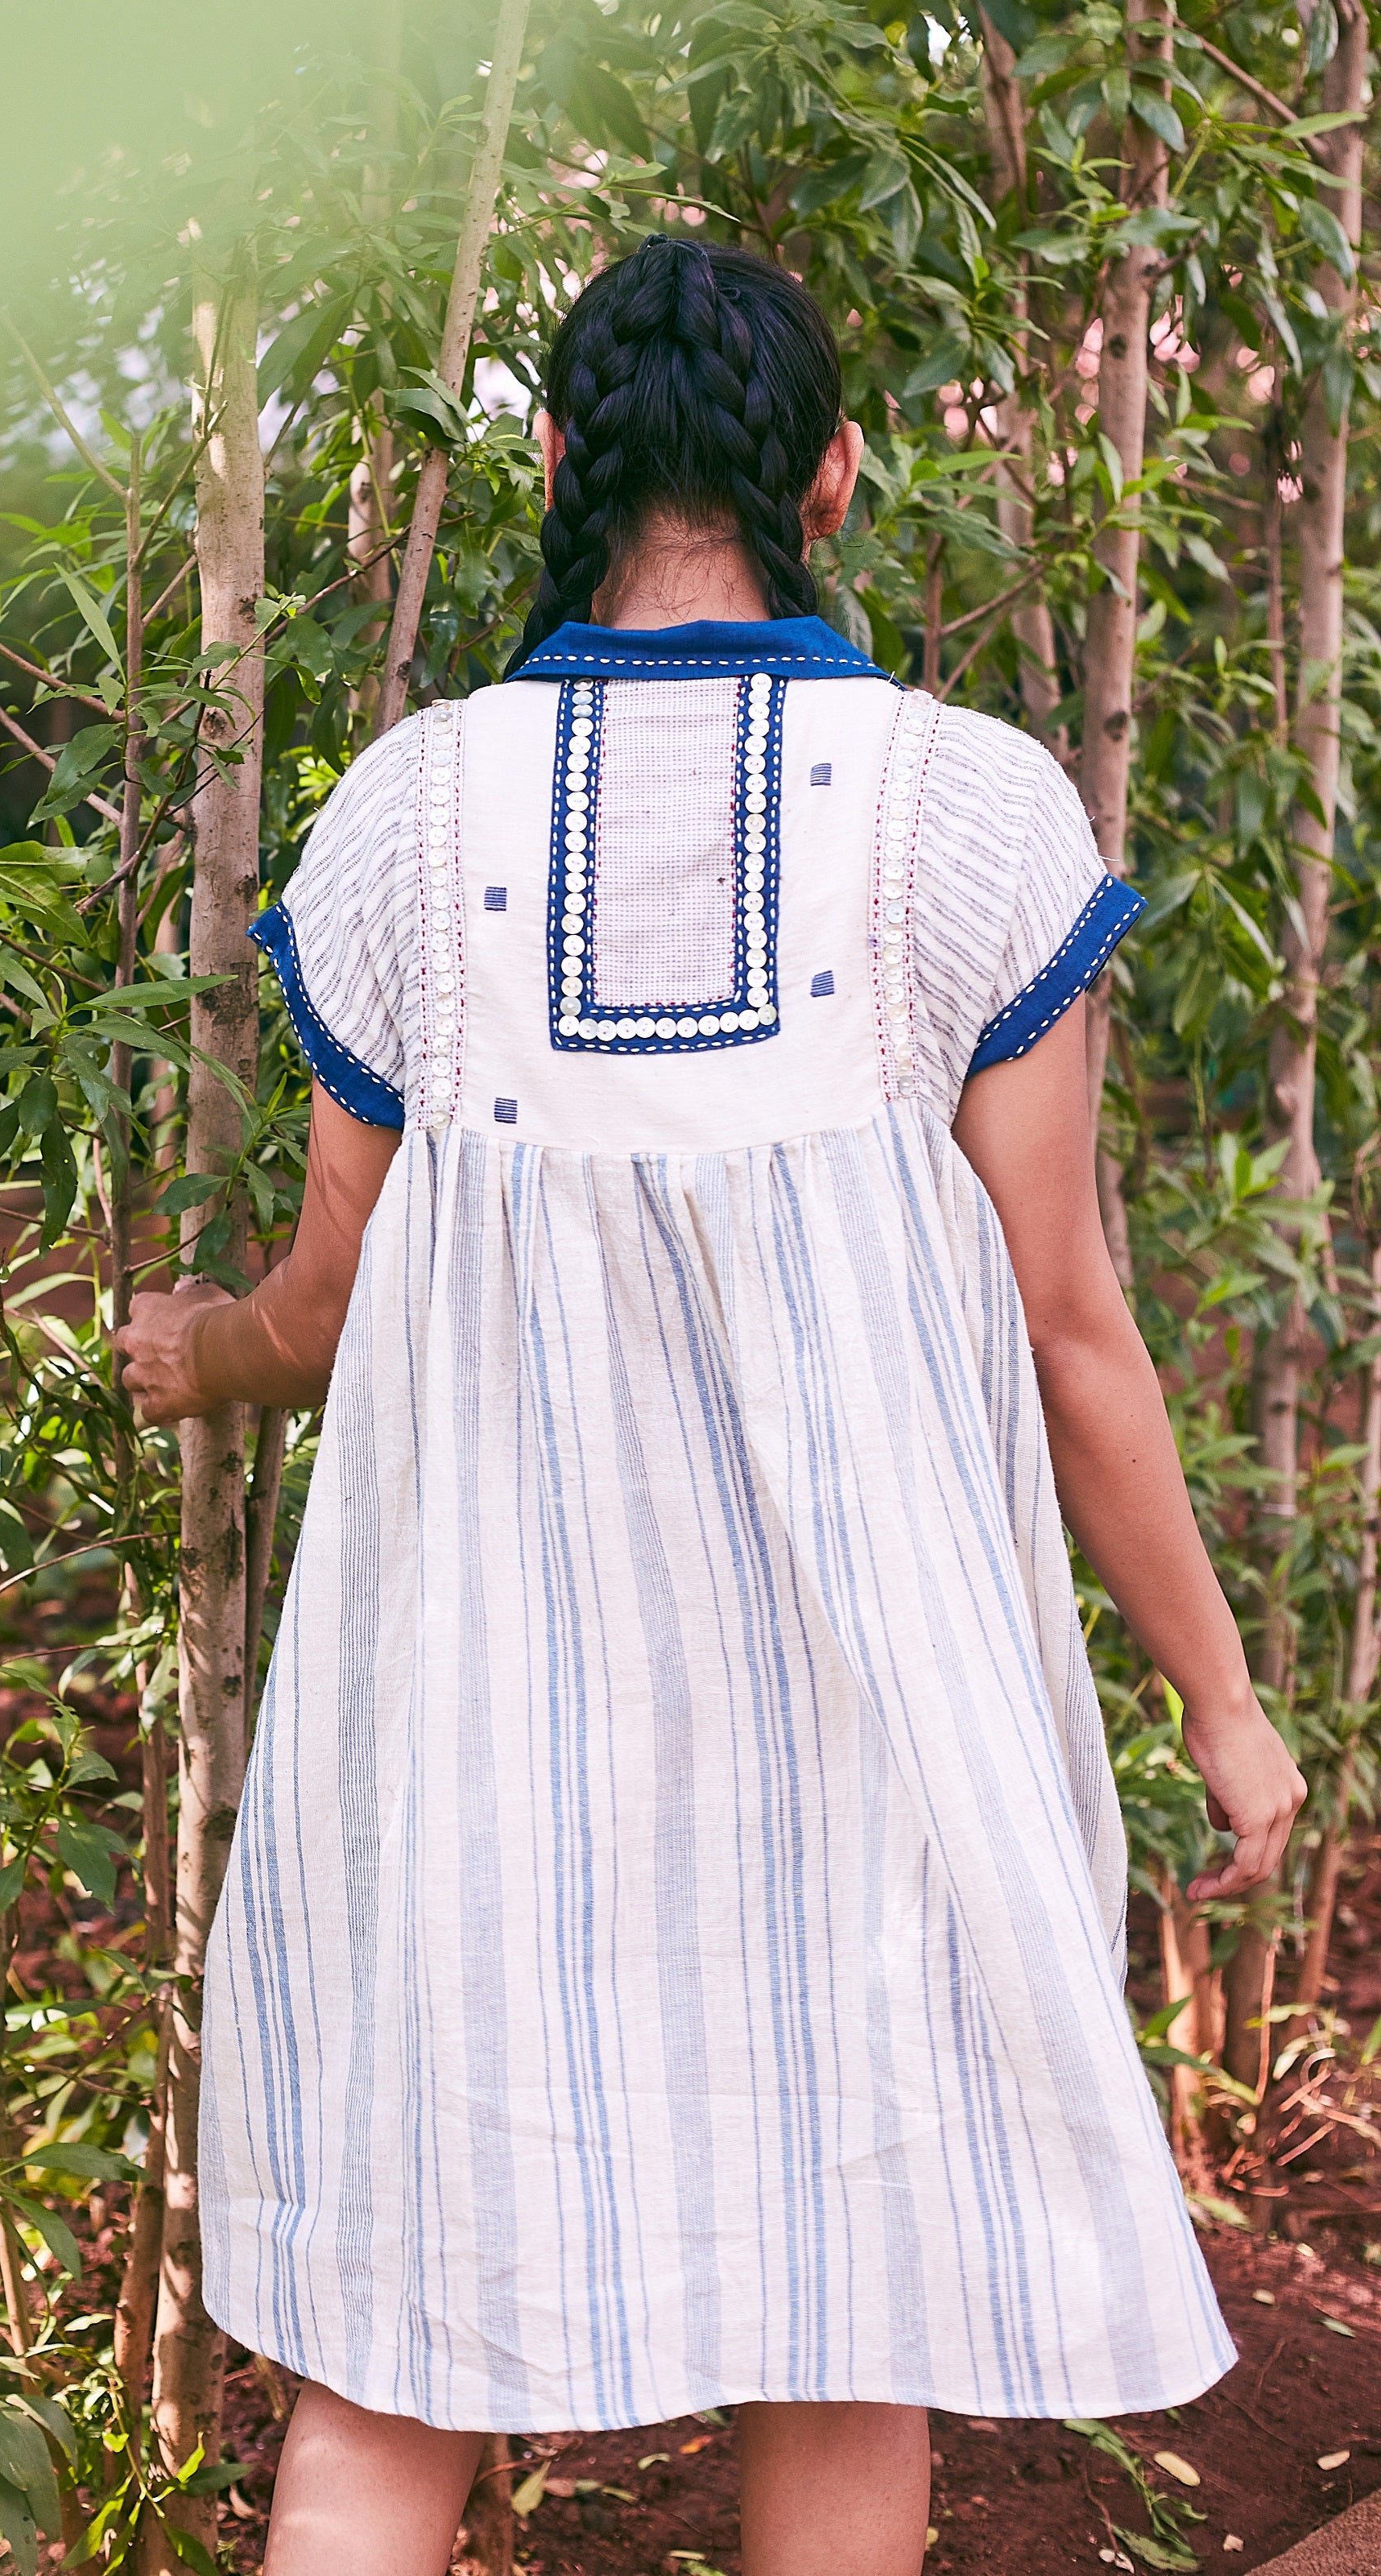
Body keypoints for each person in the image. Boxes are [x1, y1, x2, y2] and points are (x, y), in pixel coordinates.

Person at [115, 236, 1300, 2576]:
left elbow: (336, 1288)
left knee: (393, 2367)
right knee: (846, 2322)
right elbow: (1076, 1321)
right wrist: (1227, 1701)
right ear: (836, 479)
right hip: (857, 1733)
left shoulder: (407, 816)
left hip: (484, 1729)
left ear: (553, 466)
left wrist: (205, 1355)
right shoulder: (962, 813)